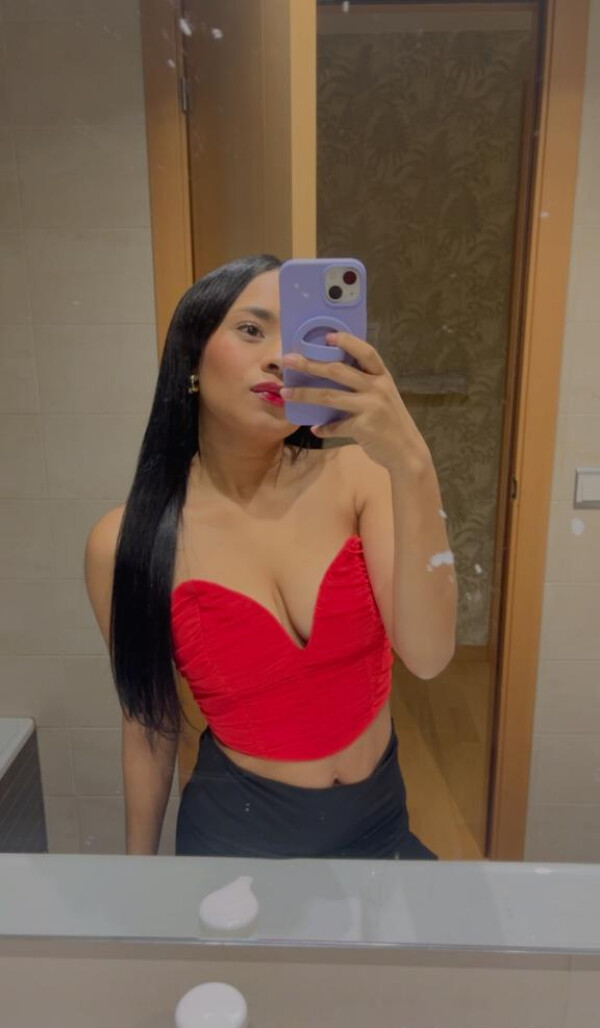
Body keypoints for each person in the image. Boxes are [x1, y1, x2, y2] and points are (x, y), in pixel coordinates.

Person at [85, 254, 451, 859]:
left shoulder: (362, 478)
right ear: (191, 358)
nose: (282, 357)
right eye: (252, 329)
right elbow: (149, 724)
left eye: (300, 335)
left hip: (378, 823)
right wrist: (139, 874)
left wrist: (411, 459)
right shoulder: (128, 539)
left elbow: (430, 656)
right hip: (238, 834)